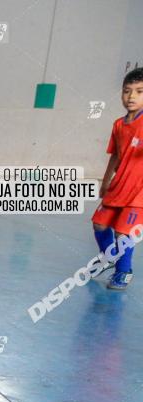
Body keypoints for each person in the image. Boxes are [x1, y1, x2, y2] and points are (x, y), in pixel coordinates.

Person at [91, 67, 143, 290]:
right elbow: (115, 154)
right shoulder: (118, 125)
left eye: (139, 91)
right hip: (118, 186)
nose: (131, 96)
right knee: (99, 224)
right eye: (127, 91)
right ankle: (108, 257)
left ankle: (124, 271)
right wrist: (105, 181)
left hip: (139, 190)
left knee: (123, 232)